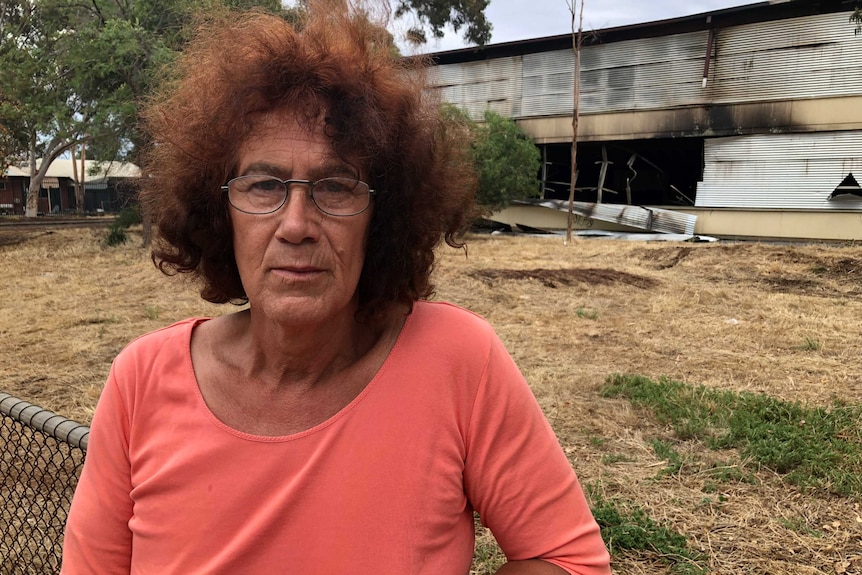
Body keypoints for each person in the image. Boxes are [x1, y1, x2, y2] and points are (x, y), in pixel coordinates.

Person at [61, 6, 611, 575]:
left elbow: (568, 560)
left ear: (383, 214)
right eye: (265, 184)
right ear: (219, 212)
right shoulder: (140, 383)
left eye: (336, 186)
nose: (296, 224)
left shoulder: (458, 361)